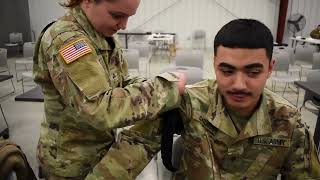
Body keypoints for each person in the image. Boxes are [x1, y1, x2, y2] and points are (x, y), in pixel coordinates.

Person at [93, 19, 320, 179]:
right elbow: (132, 149)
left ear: (270, 68)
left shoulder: (289, 123)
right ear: (214, 65)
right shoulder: (189, 104)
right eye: (227, 71)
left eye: (253, 72)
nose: (239, 84)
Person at [33, 0, 186, 179]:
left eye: (128, 17)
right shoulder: (67, 40)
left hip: (100, 152)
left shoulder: (101, 35)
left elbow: (120, 83)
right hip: (71, 165)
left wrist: (153, 84)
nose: (124, 25)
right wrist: (165, 90)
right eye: (117, 15)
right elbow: (100, 107)